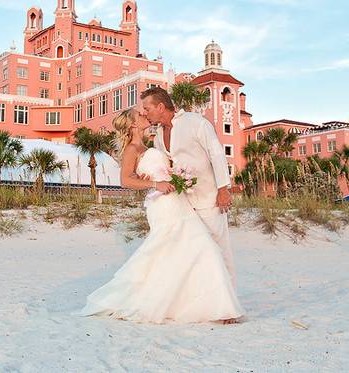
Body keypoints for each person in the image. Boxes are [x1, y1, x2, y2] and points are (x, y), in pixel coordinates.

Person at [80, 108, 244, 324]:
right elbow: (125, 181)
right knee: (189, 248)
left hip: (179, 202)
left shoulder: (152, 144)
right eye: (140, 115)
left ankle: (212, 307)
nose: (144, 115)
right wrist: (155, 183)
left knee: (195, 250)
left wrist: (183, 179)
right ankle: (219, 309)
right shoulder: (132, 149)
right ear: (132, 125)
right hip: (163, 206)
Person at [140, 87, 237, 291]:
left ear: (160, 106)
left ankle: (230, 303)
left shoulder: (195, 123)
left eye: (147, 108)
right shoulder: (158, 134)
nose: (145, 113)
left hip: (209, 198)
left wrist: (223, 189)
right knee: (195, 251)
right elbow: (165, 164)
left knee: (219, 248)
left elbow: (217, 154)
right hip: (182, 202)